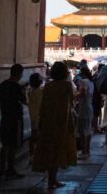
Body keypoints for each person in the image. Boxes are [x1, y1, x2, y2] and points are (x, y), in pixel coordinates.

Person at [32, 61, 77, 189]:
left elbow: (44, 104)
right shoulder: (67, 85)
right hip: (62, 121)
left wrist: (41, 120)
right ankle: (53, 179)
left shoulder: (48, 86)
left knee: (49, 150)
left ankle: (51, 179)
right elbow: (72, 100)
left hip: (48, 121)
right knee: (59, 150)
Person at [0, 64, 27, 179]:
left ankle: (1, 169)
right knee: (13, 145)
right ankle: (10, 169)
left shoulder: (2, 85)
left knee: (5, 145)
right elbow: (24, 100)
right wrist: (23, 90)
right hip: (15, 119)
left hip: (4, 117)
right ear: (19, 74)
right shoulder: (16, 87)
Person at [75, 66, 94, 160]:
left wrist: (75, 94)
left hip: (84, 108)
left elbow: (82, 93)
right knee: (88, 130)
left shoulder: (83, 82)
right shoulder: (91, 82)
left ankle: (84, 152)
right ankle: (88, 151)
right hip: (89, 107)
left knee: (83, 132)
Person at [26, 72, 44, 165]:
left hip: (32, 116)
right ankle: (38, 156)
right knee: (40, 138)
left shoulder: (29, 91)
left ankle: (31, 156)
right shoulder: (41, 91)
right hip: (40, 117)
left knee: (33, 137)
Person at [92, 63, 104, 134]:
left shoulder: (95, 75)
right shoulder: (98, 76)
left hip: (96, 96)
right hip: (96, 96)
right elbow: (98, 87)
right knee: (96, 113)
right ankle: (95, 128)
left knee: (96, 112)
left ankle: (96, 126)